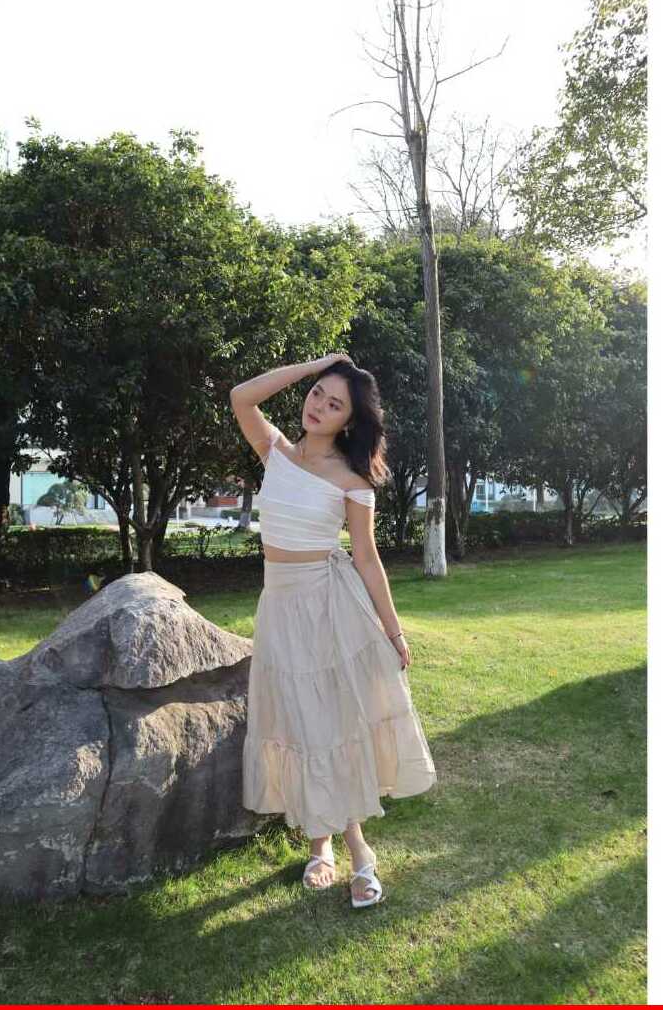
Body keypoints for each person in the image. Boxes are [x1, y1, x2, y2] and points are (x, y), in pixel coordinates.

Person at [229, 353, 437, 909]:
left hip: (327, 608)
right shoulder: (275, 450)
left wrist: (394, 633)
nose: (319, 406)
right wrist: (319, 364)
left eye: (335, 403)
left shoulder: (351, 479)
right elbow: (241, 397)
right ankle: (320, 845)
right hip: (279, 609)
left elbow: (367, 558)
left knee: (332, 725)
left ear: (350, 420)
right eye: (317, 393)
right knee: (301, 724)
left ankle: (358, 850)